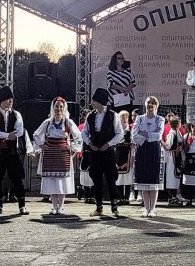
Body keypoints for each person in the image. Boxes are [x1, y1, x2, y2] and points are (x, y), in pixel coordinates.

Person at [33, 97, 82, 215]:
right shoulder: (48, 122)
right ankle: (54, 206)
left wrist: (72, 148)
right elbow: (36, 134)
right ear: (53, 107)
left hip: (62, 155)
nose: (58, 109)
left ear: (64, 108)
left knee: (62, 181)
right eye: (56, 106)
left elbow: (78, 136)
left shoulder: (68, 122)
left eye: (61, 106)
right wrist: (41, 145)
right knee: (51, 181)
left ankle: (61, 207)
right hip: (50, 154)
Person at [82, 88, 124, 217]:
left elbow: (120, 133)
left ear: (100, 102)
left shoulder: (113, 115)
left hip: (108, 151)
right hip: (95, 151)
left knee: (111, 178)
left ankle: (114, 206)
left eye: (94, 101)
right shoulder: (91, 115)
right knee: (96, 178)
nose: (92, 103)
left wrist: (109, 144)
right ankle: (99, 206)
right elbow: (84, 132)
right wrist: (90, 144)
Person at [0, 86, 29, 215]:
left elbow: (19, 130)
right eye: (7, 99)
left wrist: (10, 135)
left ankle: (22, 205)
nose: (10, 102)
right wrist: (6, 135)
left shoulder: (16, 114)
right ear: (1, 100)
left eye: (11, 99)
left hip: (11, 150)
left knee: (17, 178)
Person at [133, 96, 165, 217]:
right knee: (144, 180)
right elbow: (134, 135)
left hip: (154, 150)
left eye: (153, 103)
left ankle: (153, 208)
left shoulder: (160, 119)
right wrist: (149, 134)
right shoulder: (139, 119)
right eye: (148, 103)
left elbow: (158, 135)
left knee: (153, 180)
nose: (150, 105)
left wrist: (144, 133)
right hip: (142, 150)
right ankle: (146, 208)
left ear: (156, 105)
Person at [162, 116, 184, 206]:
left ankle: (174, 196)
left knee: (176, 177)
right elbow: (168, 146)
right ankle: (171, 198)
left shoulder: (177, 132)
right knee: (171, 177)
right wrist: (161, 141)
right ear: (177, 124)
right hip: (172, 157)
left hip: (177, 156)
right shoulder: (172, 133)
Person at [115, 110, 134, 205]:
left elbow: (133, 146)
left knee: (127, 178)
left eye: (126, 117)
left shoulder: (131, 131)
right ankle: (120, 197)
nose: (125, 119)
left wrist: (131, 159)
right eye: (122, 117)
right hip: (118, 155)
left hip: (127, 155)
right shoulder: (116, 130)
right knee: (118, 178)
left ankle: (126, 197)